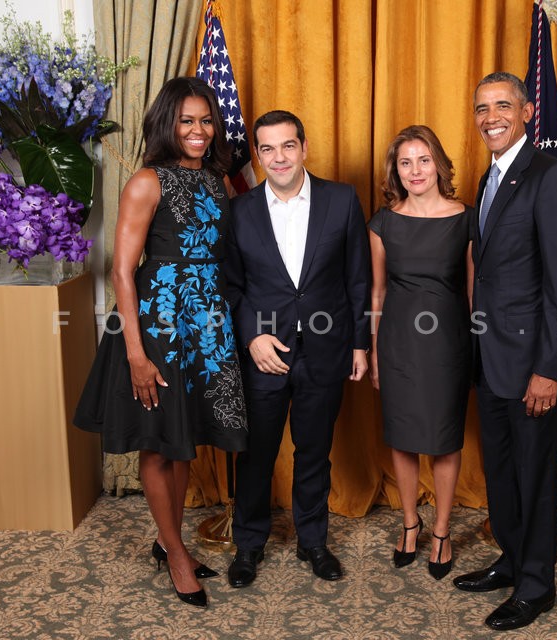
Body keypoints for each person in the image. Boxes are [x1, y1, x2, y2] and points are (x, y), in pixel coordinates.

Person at [74, 77, 249, 608]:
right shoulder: (147, 181)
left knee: (182, 437)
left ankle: (167, 539)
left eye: (205, 120)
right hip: (159, 326)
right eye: (186, 120)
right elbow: (122, 271)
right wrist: (136, 353)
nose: (198, 130)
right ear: (166, 124)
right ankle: (175, 553)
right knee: (157, 442)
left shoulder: (219, 180)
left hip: (207, 323)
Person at [452, 72, 557, 631]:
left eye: (502, 106)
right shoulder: (491, 177)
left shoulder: (553, 177)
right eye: (482, 108)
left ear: (528, 112)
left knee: (535, 477)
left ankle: (536, 585)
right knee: (503, 473)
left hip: (535, 364)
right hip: (492, 359)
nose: (491, 118)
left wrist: (549, 369)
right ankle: (511, 560)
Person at [223, 110, 371, 587]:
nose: (279, 157)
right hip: (265, 353)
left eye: (288, 145)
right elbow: (231, 286)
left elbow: (358, 278)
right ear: (257, 155)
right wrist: (252, 336)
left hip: (325, 350)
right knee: (256, 454)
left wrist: (360, 344)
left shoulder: (341, 199)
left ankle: (313, 541)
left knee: (314, 451)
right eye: (267, 148)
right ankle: (249, 544)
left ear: (304, 148)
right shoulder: (239, 210)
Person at [368, 125, 473, 580]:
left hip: (449, 343)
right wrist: (375, 353)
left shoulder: (466, 219)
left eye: (423, 160)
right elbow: (377, 292)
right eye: (405, 162)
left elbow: (474, 292)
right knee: (403, 437)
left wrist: (478, 348)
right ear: (396, 170)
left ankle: (442, 531)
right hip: (397, 344)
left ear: (439, 165)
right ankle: (410, 524)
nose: (415, 170)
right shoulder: (383, 222)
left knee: (445, 439)